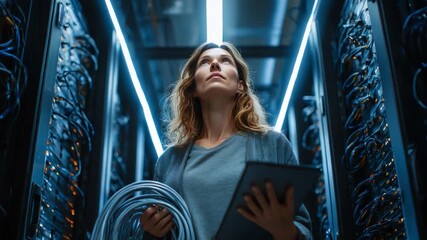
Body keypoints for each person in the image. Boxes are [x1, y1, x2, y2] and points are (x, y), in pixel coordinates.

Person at [140, 42, 312, 240]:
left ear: (240, 85)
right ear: (193, 88)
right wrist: (152, 232)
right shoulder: (169, 161)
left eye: (225, 61)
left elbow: (304, 227)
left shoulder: (272, 144)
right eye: (205, 62)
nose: (214, 64)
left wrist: (286, 232)